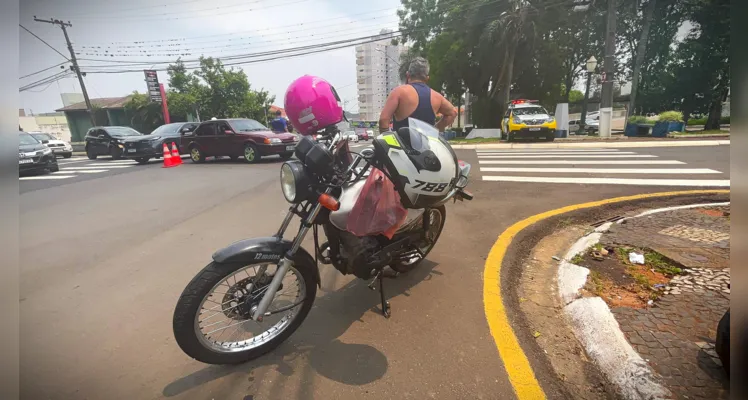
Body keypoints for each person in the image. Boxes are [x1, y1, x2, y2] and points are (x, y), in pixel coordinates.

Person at [378, 57, 457, 133]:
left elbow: (383, 119)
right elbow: (453, 113)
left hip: (401, 145)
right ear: (427, 78)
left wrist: (386, 140)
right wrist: (435, 130)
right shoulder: (437, 97)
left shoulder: (398, 92)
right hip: (427, 145)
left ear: (408, 75)